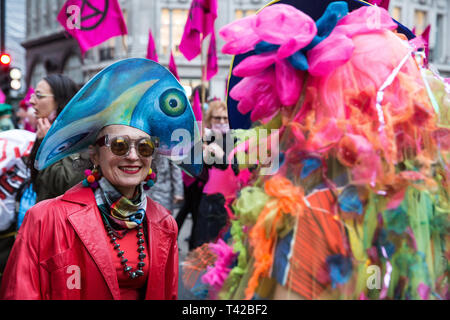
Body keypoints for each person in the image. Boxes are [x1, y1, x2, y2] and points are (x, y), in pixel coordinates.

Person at [0, 58, 200, 300]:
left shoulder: (164, 224)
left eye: (144, 147)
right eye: (119, 145)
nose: (133, 156)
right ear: (94, 153)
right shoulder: (45, 220)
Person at [26, 74, 85, 203]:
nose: (31, 101)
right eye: (33, 95)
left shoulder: (78, 135)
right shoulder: (46, 131)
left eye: (39, 96)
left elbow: (66, 183)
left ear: (59, 100)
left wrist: (48, 144)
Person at [191, 99, 240, 248]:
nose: (222, 121)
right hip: (209, 202)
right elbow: (196, 174)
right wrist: (200, 153)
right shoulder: (205, 139)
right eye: (217, 118)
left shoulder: (236, 139)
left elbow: (238, 169)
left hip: (230, 202)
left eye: (225, 118)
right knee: (205, 248)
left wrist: (222, 157)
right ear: (209, 120)